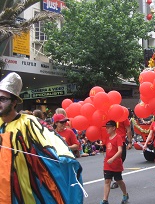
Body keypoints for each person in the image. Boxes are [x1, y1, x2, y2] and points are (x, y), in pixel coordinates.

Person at [0, 72, 84, 203]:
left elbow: (51, 137)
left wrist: (63, 154)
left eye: (3, 99)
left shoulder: (29, 122)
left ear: (14, 102)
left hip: (23, 190)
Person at [101, 120, 129, 204]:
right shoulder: (107, 138)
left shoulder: (118, 137)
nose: (107, 129)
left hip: (116, 163)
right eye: (106, 127)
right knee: (107, 181)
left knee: (119, 180)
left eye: (108, 127)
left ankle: (125, 194)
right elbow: (106, 148)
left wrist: (113, 159)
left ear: (114, 128)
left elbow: (120, 150)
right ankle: (105, 200)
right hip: (107, 163)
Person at [110, 118, 133, 189]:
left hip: (121, 141)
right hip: (111, 142)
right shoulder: (109, 115)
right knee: (111, 160)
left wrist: (130, 142)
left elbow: (128, 130)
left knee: (120, 160)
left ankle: (117, 179)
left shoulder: (123, 117)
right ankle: (113, 178)